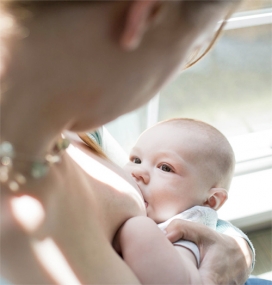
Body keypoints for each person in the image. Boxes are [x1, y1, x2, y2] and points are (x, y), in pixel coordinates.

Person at [0, 1, 257, 284]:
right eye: (194, 46)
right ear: (147, 14)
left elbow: (199, 215)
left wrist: (238, 250)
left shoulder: (86, 133)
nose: (137, 170)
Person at [114, 118, 246, 284]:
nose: (138, 171)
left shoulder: (186, 231)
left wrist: (138, 232)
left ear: (210, 201)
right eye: (136, 160)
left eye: (165, 168)